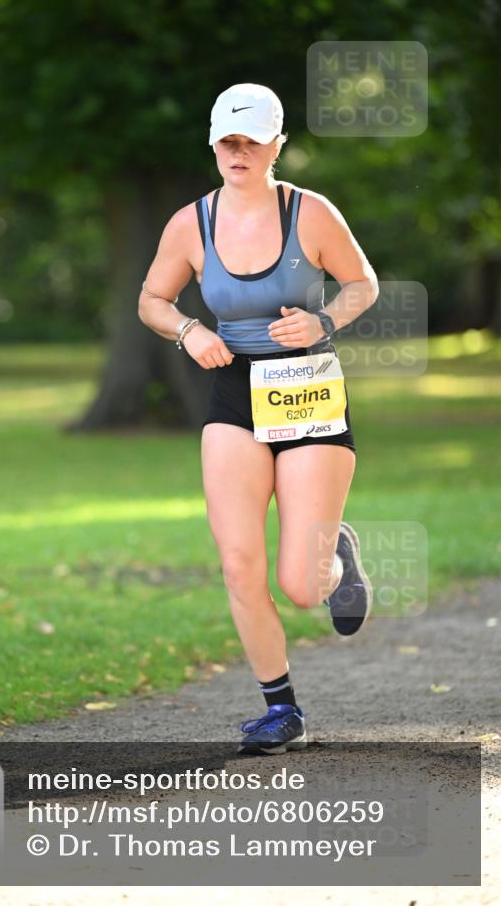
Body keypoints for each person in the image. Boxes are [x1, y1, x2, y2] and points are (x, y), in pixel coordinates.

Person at [138, 83, 378, 754]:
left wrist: (323, 320)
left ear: (277, 145)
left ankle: (335, 557)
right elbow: (152, 299)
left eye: (251, 141)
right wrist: (188, 330)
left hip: (306, 389)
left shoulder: (310, 212)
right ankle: (281, 710)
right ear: (213, 145)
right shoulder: (191, 223)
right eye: (227, 141)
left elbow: (362, 283)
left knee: (300, 586)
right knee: (239, 562)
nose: (238, 152)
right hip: (233, 392)